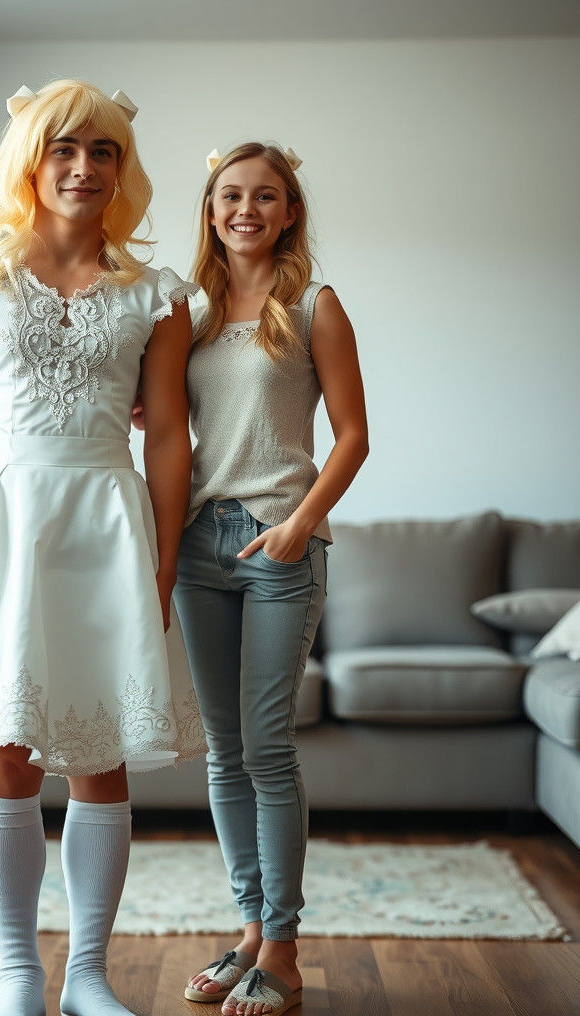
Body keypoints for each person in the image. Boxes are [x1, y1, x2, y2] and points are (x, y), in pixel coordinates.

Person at [0, 79, 206, 1016]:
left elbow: (170, 438)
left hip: (108, 528)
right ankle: (18, 979)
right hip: (3, 531)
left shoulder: (157, 297)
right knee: (9, 752)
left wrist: (163, 558)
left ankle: (87, 977)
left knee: (100, 754)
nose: (82, 167)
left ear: (121, 170)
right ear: (30, 162)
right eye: (63, 148)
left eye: (102, 151)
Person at [174, 143, 369, 1016]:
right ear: (210, 210)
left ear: (289, 211)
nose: (245, 210)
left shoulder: (315, 305)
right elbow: (166, 425)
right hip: (198, 546)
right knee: (223, 753)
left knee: (265, 748)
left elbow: (354, 436)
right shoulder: (186, 311)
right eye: (230, 196)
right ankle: (251, 931)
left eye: (264, 197)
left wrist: (297, 525)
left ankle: (283, 952)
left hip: (280, 546)